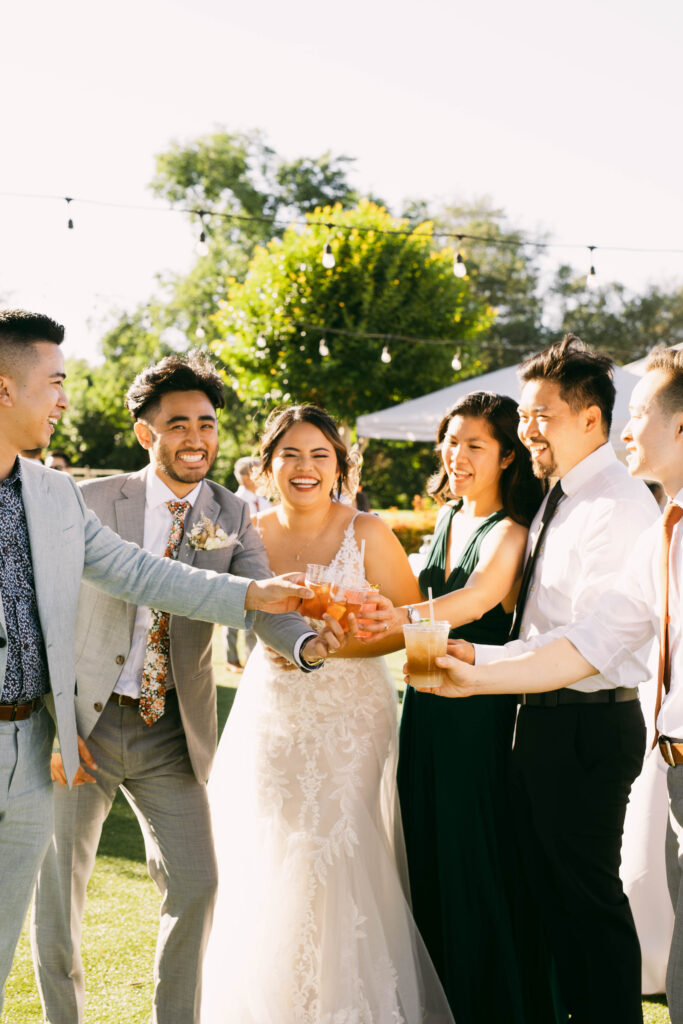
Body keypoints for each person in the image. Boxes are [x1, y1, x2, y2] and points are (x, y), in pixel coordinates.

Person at [0, 310, 336, 1013]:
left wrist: (281, 619)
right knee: (58, 898)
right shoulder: (87, 494)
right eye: (178, 423)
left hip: (109, 735)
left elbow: (188, 584)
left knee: (185, 885)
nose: (196, 438)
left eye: (207, 423)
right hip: (78, 728)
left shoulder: (217, 512)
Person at [407, 336, 660, 1024]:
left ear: (589, 419)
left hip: (585, 722)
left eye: (540, 415)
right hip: (542, 718)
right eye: (524, 415)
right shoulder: (559, 497)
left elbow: (584, 643)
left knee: (586, 908)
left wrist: (476, 667)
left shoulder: (617, 506)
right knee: (549, 905)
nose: (527, 429)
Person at [201, 404, 455, 1023]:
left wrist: (342, 641)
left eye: (320, 454)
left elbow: (410, 623)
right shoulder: (247, 532)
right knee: (273, 842)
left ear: (340, 466)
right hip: (274, 711)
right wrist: (286, 642)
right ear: (267, 466)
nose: (305, 466)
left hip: (350, 714)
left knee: (336, 843)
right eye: (290, 454)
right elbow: (224, 607)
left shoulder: (366, 532)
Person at [364, 391, 547, 1022]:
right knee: (424, 849)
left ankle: (482, 1002)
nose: (457, 454)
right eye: (451, 440)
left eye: (475, 444)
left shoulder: (514, 532)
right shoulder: (446, 520)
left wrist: (390, 616)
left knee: (469, 856)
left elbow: (473, 602)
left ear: (506, 456)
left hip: (475, 717)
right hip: (423, 710)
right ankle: (432, 995)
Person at [225, 456, 270, 671]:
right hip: (237, 563)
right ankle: (231, 659)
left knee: (256, 612)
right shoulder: (235, 502)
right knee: (233, 613)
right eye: (258, 471)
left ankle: (252, 659)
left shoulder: (265, 500)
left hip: (262, 562)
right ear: (246, 476)